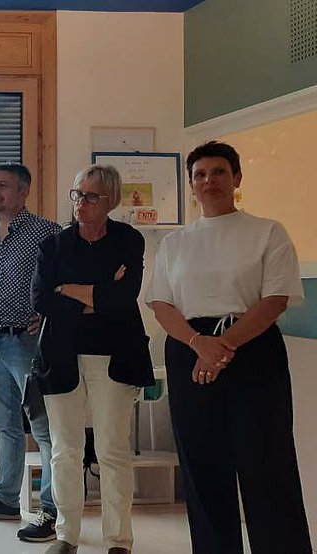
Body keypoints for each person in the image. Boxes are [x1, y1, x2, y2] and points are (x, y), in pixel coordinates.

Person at [148, 141, 311, 553]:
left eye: (219, 172)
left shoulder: (267, 232)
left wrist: (222, 347)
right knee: (202, 463)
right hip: (190, 348)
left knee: (266, 461)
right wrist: (199, 344)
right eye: (200, 175)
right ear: (191, 185)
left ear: (237, 178)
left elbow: (275, 299)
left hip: (252, 347)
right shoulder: (175, 243)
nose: (209, 181)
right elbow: (161, 304)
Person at [32, 165, 154, 554]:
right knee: (64, 450)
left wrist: (68, 289)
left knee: (112, 449)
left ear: (110, 200)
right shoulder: (54, 246)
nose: (80, 203)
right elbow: (41, 300)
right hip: (61, 356)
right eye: (77, 194)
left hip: (115, 356)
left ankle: (118, 540)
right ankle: (66, 535)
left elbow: (125, 297)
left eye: (90, 196)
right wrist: (98, 295)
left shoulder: (128, 240)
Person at [0, 163, 60, 543]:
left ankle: (50, 509)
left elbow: (63, 280)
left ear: (23, 192)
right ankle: (5, 499)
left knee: (44, 428)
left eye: (2, 186)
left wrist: (48, 313)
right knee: (4, 424)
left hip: (28, 343)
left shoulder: (47, 232)